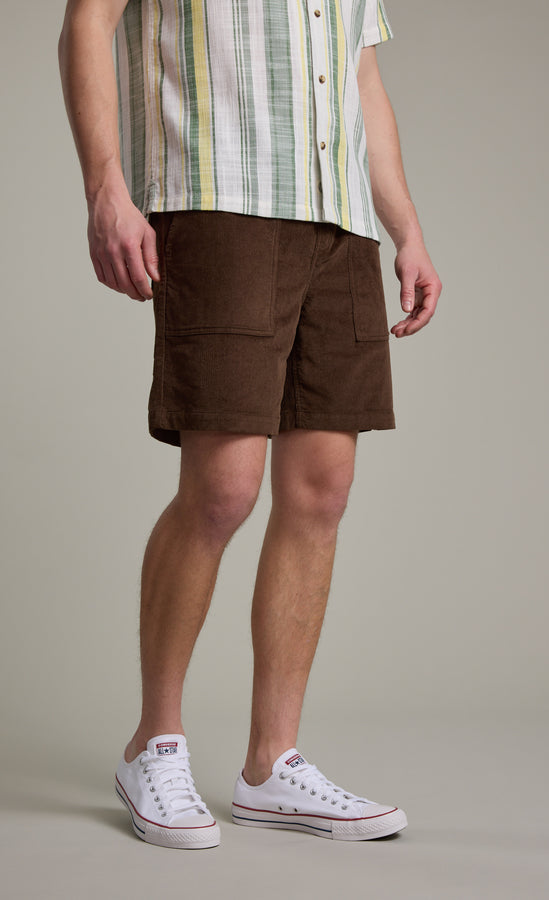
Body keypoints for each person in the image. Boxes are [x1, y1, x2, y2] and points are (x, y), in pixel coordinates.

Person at [58, 0, 442, 849]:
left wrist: (405, 227)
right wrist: (105, 188)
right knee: (222, 489)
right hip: (217, 198)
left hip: (339, 219)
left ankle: (272, 766)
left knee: (322, 493)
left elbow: (361, 80)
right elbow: (87, 21)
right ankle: (152, 744)